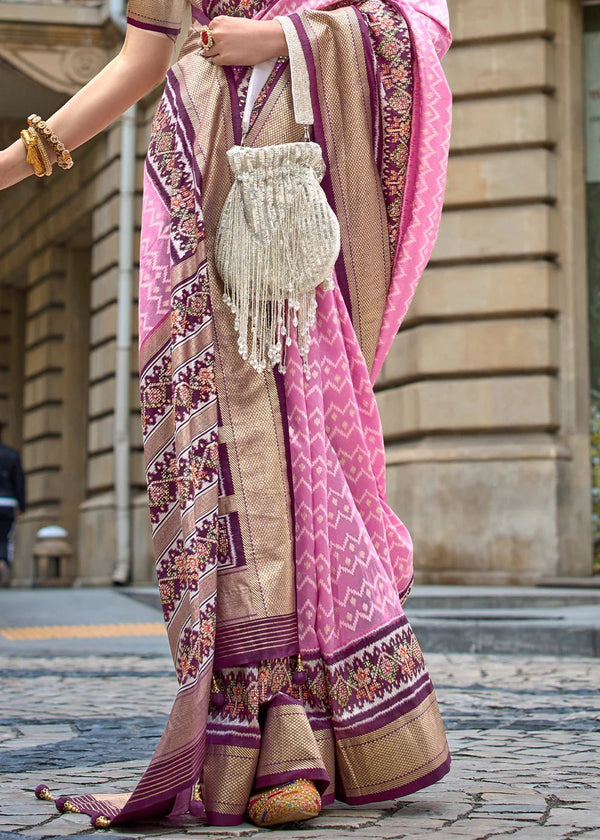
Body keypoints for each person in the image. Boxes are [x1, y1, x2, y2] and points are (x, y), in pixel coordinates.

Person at [1, 0, 453, 829]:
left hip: (278, 221)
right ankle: (257, 725)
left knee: (295, 454)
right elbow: (138, 62)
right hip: (194, 203)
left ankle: (306, 732)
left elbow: (418, 22)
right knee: (221, 464)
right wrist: (11, 162)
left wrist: (280, 38)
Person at [0, 421, 26, 588]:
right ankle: (2, 561)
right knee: (5, 537)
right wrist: (21, 506)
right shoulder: (12, 454)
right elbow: (19, 482)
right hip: (8, 502)